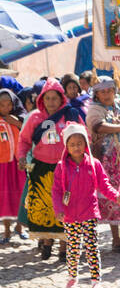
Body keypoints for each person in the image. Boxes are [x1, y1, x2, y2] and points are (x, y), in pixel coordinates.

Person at [17, 79, 84, 260]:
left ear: (61, 98)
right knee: (43, 206)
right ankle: (47, 243)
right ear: (42, 99)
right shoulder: (35, 117)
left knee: (66, 205)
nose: (52, 102)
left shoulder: (70, 115)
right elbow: (24, 141)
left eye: (55, 98)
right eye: (48, 98)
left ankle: (64, 247)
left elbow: (83, 137)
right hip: (41, 168)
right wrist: (22, 157)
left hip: (66, 167)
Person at [51, 122, 118, 288]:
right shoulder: (61, 167)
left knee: (92, 247)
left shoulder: (94, 164)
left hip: (89, 212)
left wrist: (116, 196)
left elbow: (104, 185)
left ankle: (96, 280)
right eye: (72, 144)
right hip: (70, 215)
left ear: (85, 144)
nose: (76, 147)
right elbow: (57, 191)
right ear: (66, 146)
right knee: (73, 248)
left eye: (79, 143)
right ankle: (72, 277)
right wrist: (58, 209)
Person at [84, 77, 120, 253]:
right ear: (97, 94)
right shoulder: (94, 109)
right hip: (109, 160)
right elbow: (99, 127)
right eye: (103, 91)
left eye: (110, 90)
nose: (107, 94)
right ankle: (116, 239)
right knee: (112, 196)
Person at [0, 88, 26, 242]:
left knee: (20, 195)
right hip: (2, 165)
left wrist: (16, 122)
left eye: (8, 104)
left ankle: (20, 228)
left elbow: (28, 132)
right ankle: (7, 230)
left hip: (18, 164)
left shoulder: (19, 118)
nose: (5, 108)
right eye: (1, 105)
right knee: (3, 197)